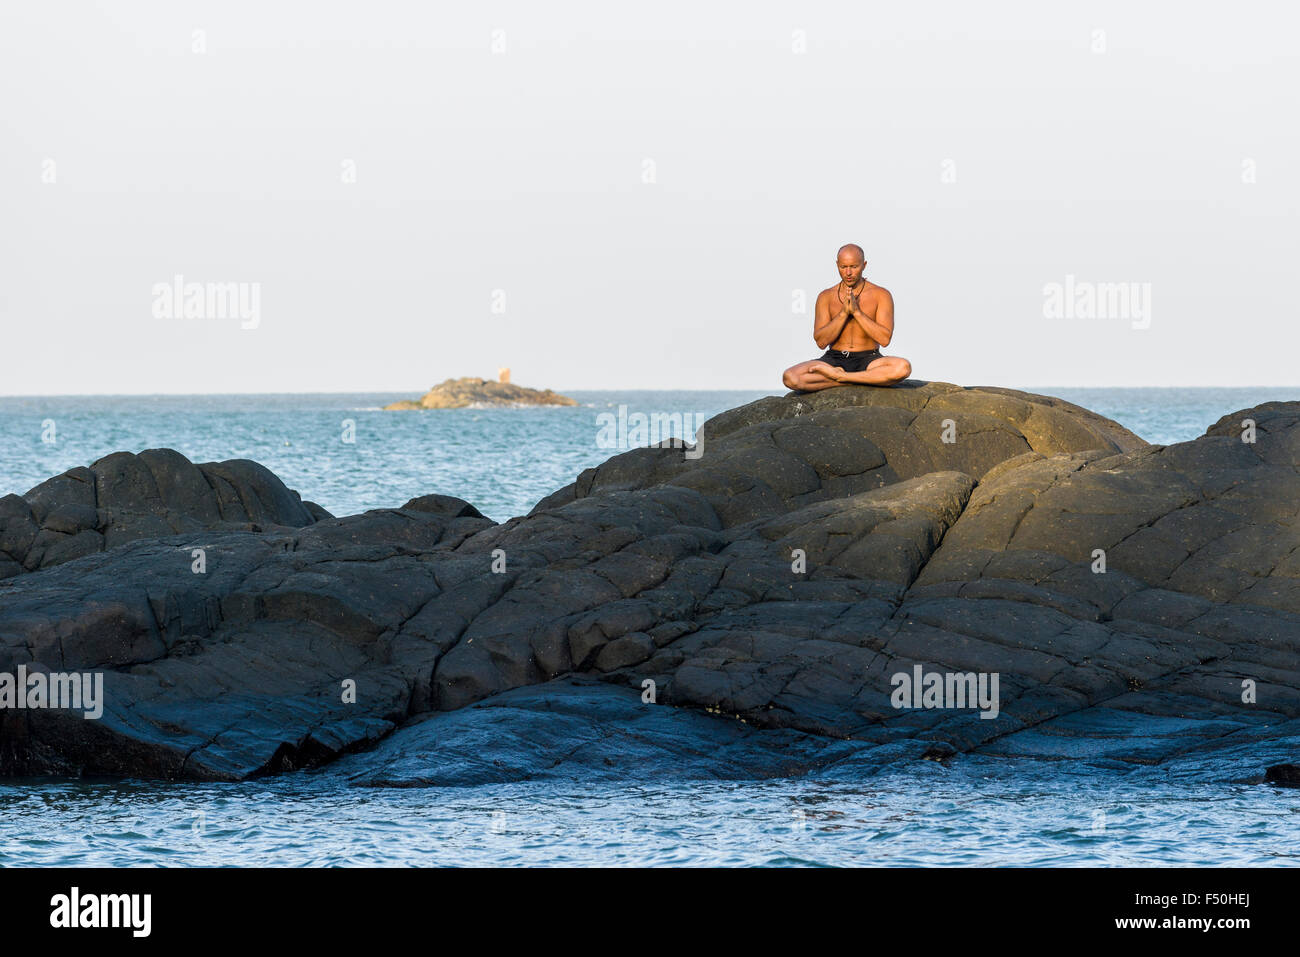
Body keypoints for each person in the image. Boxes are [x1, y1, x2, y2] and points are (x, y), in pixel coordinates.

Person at [781, 244, 912, 392]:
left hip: (869, 359)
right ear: (837, 265)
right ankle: (853, 380)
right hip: (833, 360)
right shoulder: (826, 296)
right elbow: (821, 342)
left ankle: (843, 378)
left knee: (903, 367)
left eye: (854, 267)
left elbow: (884, 339)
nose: (848, 272)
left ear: (864, 265)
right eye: (843, 267)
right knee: (791, 377)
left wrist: (857, 313)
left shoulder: (881, 294)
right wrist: (843, 314)